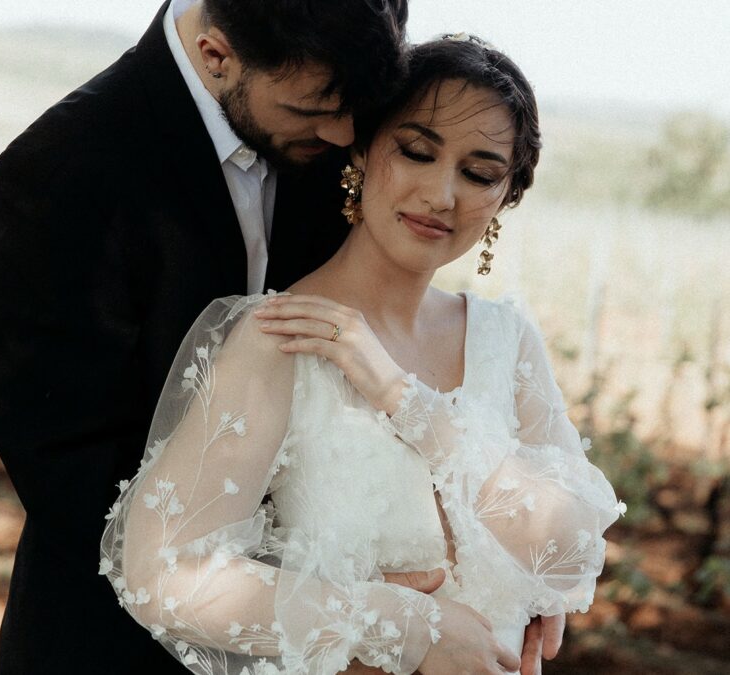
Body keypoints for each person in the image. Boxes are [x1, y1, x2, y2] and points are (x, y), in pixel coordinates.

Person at [100, 35, 624, 675]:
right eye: (416, 152)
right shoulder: (284, 336)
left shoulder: (505, 339)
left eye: (480, 173)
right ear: (364, 148)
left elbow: (570, 558)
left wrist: (406, 402)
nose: (442, 194)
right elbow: (162, 572)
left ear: (504, 197)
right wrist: (403, 626)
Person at [0, 1, 409, 672]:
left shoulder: (334, 105)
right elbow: (61, 451)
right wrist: (265, 592)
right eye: (312, 108)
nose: (344, 132)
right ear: (216, 55)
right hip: (113, 640)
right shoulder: (64, 168)